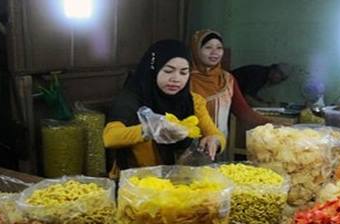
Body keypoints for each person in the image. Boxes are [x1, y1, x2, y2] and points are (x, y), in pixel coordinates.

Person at [103, 39, 225, 174]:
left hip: (179, 178)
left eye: (183, 72)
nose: (176, 78)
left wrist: (215, 141)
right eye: (168, 71)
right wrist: (150, 130)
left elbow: (215, 134)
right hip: (136, 180)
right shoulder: (130, 99)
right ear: (153, 70)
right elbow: (110, 137)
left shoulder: (193, 101)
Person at [190, 29, 268, 138]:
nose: (215, 52)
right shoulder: (185, 79)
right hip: (189, 147)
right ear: (196, 50)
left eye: (219, 48)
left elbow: (243, 112)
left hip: (219, 147)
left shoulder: (227, 79)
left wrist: (272, 124)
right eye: (208, 47)